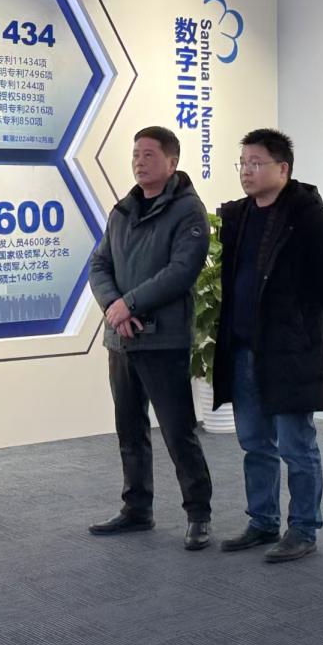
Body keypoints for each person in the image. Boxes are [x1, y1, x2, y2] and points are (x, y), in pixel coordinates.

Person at [213, 128, 323, 563]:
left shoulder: (309, 217)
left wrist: (308, 333)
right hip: (243, 349)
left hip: (291, 352)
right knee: (254, 442)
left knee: (296, 445)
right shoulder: (237, 216)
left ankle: (304, 528)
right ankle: (262, 521)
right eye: (243, 163)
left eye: (256, 163)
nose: (247, 171)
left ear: (283, 168)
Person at [88, 126, 214, 550]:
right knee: (129, 429)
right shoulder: (122, 210)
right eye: (136, 154)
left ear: (172, 162)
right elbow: (99, 264)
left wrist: (130, 304)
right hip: (121, 339)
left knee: (178, 431)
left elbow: (181, 272)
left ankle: (199, 514)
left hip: (163, 340)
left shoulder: (188, 211)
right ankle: (136, 508)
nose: (139, 162)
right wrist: (114, 306)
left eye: (149, 155)